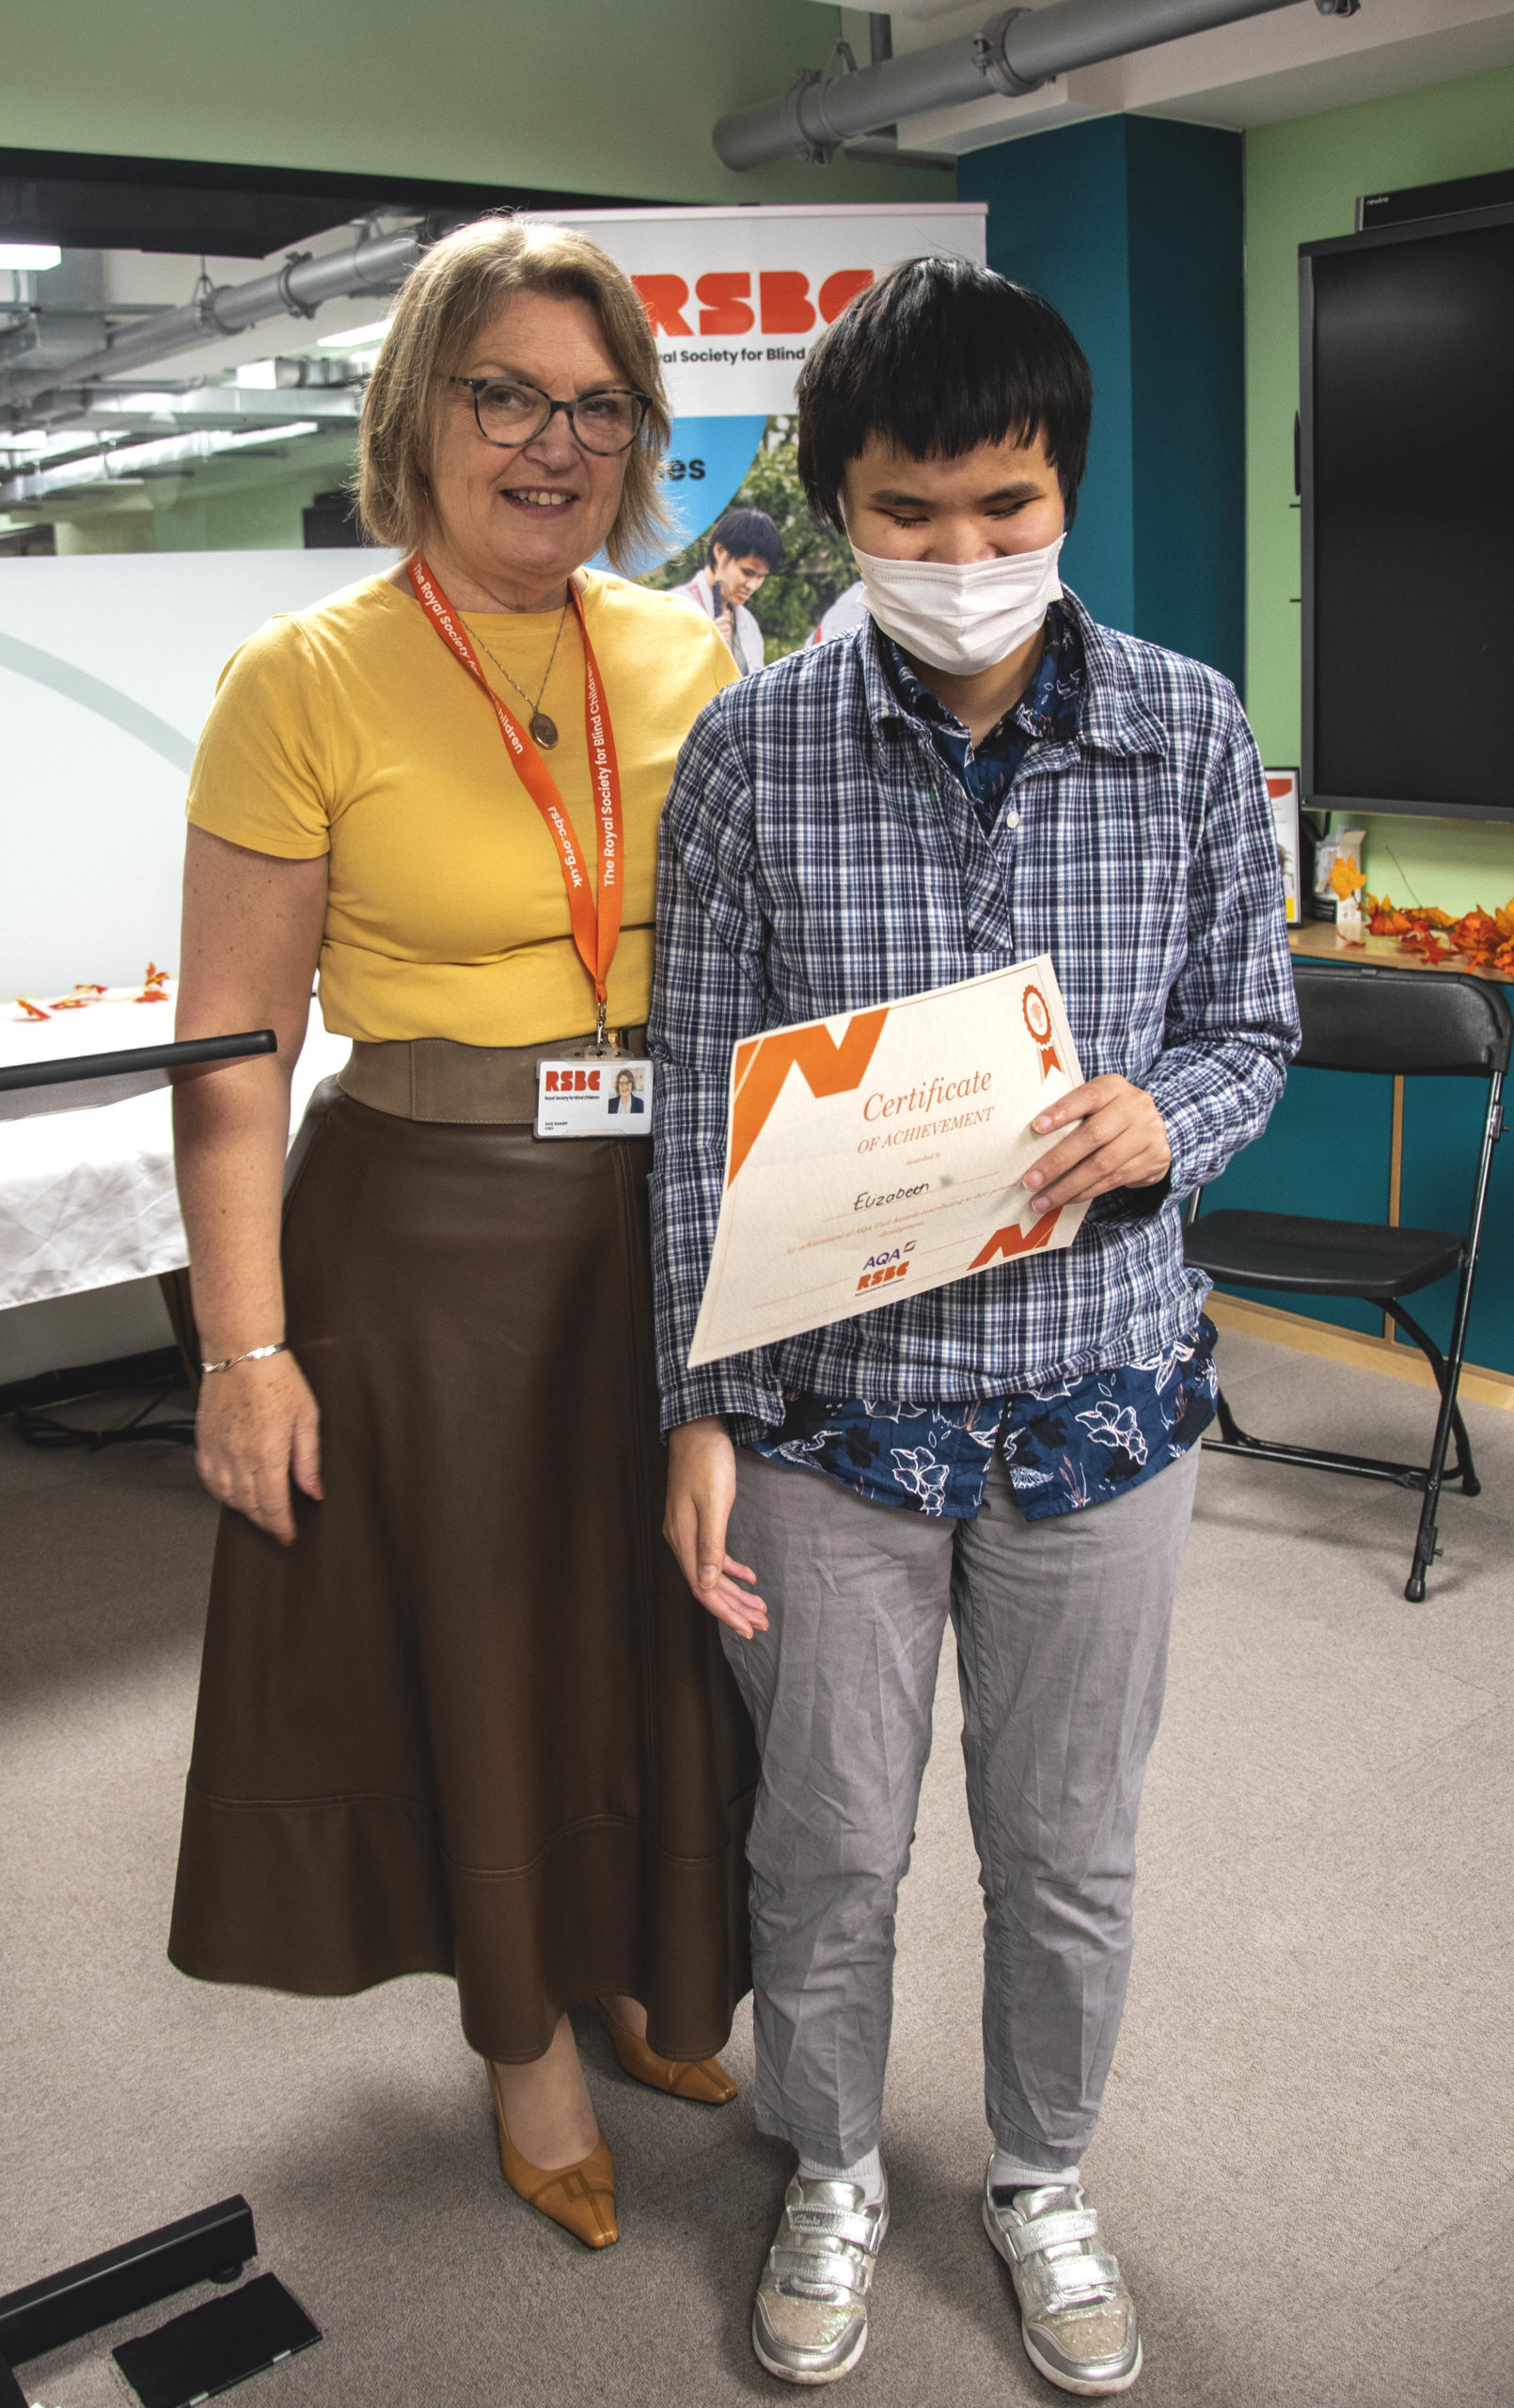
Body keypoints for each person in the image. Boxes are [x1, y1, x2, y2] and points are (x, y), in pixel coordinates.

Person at [650, 258, 1298, 2389]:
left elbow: (1251, 1023)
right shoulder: (748, 754)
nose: (958, 554)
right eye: (905, 511)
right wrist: (695, 1409)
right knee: (828, 1836)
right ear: (836, 507)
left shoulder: (1187, 726)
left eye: (1003, 506)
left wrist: (1165, 1118)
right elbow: (693, 1107)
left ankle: (1039, 2170)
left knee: (1067, 1842)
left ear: (1064, 491)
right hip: (832, 1417)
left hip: (1102, 1396)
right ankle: (831, 2157)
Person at [167, 215, 757, 2257]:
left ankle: (638, 1966)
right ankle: (523, 2041)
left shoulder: (686, 654)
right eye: (506, 396)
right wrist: (245, 1350)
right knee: (488, 1646)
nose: (554, 445)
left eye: (599, 408)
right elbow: (235, 1054)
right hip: (422, 1240)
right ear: (419, 410)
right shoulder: (303, 676)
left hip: (661, 1217)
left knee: (653, 1626)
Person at [670, 505, 783, 673]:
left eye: (761, 576)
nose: (752, 585)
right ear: (720, 551)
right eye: (747, 572)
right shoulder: (677, 607)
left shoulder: (748, 622)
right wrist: (705, 650)